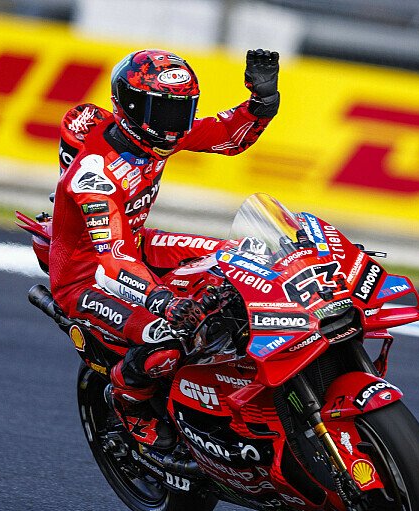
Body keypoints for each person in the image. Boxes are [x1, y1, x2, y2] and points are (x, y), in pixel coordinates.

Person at [48, 48, 280, 448]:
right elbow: (113, 259)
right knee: (166, 340)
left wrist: (263, 103)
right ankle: (128, 404)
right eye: (161, 111)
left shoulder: (157, 128)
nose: (173, 126)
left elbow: (226, 136)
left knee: (247, 258)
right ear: (131, 107)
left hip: (140, 244)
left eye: (180, 111)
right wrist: (162, 301)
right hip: (88, 279)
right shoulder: (95, 175)